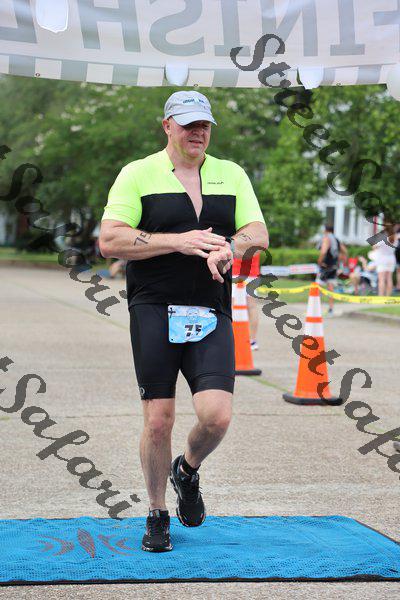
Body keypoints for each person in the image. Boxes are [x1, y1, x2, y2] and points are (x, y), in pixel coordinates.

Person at [99, 91, 268, 552]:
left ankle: (187, 470)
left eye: (204, 125)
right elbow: (110, 240)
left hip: (210, 309)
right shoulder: (137, 173)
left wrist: (230, 247)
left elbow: (258, 233)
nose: (198, 132)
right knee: (159, 420)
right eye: (189, 123)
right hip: (154, 306)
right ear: (167, 125)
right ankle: (156, 512)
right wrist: (178, 241)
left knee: (217, 417)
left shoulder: (231, 173)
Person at [232, 252, 261, 349]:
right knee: (252, 307)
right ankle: (252, 340)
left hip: (236, 272)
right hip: (252, 273)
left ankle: (232, 338)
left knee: (231, 306)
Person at [317, 225, 347, 314]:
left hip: (325, 266)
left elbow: (323, 251)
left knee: (317, 287)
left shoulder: (326, 238)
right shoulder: (336, 240)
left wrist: (319, 261)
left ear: (325, 230)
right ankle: (331, 308)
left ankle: (316, 308)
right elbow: (345, 251)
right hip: (333, 266)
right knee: (331, 288)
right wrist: (342, 262)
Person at [373, 224, 397, 296]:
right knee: (389, 278)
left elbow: (374, 247)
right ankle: (388, 296)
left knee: (381, 279)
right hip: (391, 259)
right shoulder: (394, 238)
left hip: (382, 259)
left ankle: (381, 296)